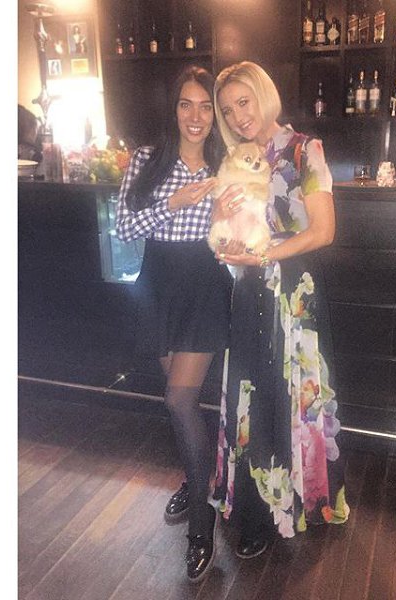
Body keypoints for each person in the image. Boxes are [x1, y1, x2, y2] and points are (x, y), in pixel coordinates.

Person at [211, 61, 350, 558]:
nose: (238, 116)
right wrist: (222, 225)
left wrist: (267, 254)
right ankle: (254, 513)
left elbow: (324, 231)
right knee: (252, 395)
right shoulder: (234, 157)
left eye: (243, 102)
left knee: (296, 394)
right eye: (228, 110)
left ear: (263, 95)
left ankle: (305, 500)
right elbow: (224, 232)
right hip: (249, 289)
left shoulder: (304, 150)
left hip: (294, 293)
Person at [115, 65, 232, 583]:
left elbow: (240, 223)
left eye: (206, 106)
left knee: (179, 401)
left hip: (204, 283)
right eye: (187, 104)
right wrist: (174, 202)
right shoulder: (148, 159)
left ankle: (203, 525)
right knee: (183, 402)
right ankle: (196, 474)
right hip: (159, 282)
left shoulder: (225, 164)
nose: (196, 116)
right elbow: (124, 227)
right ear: (174, 109)